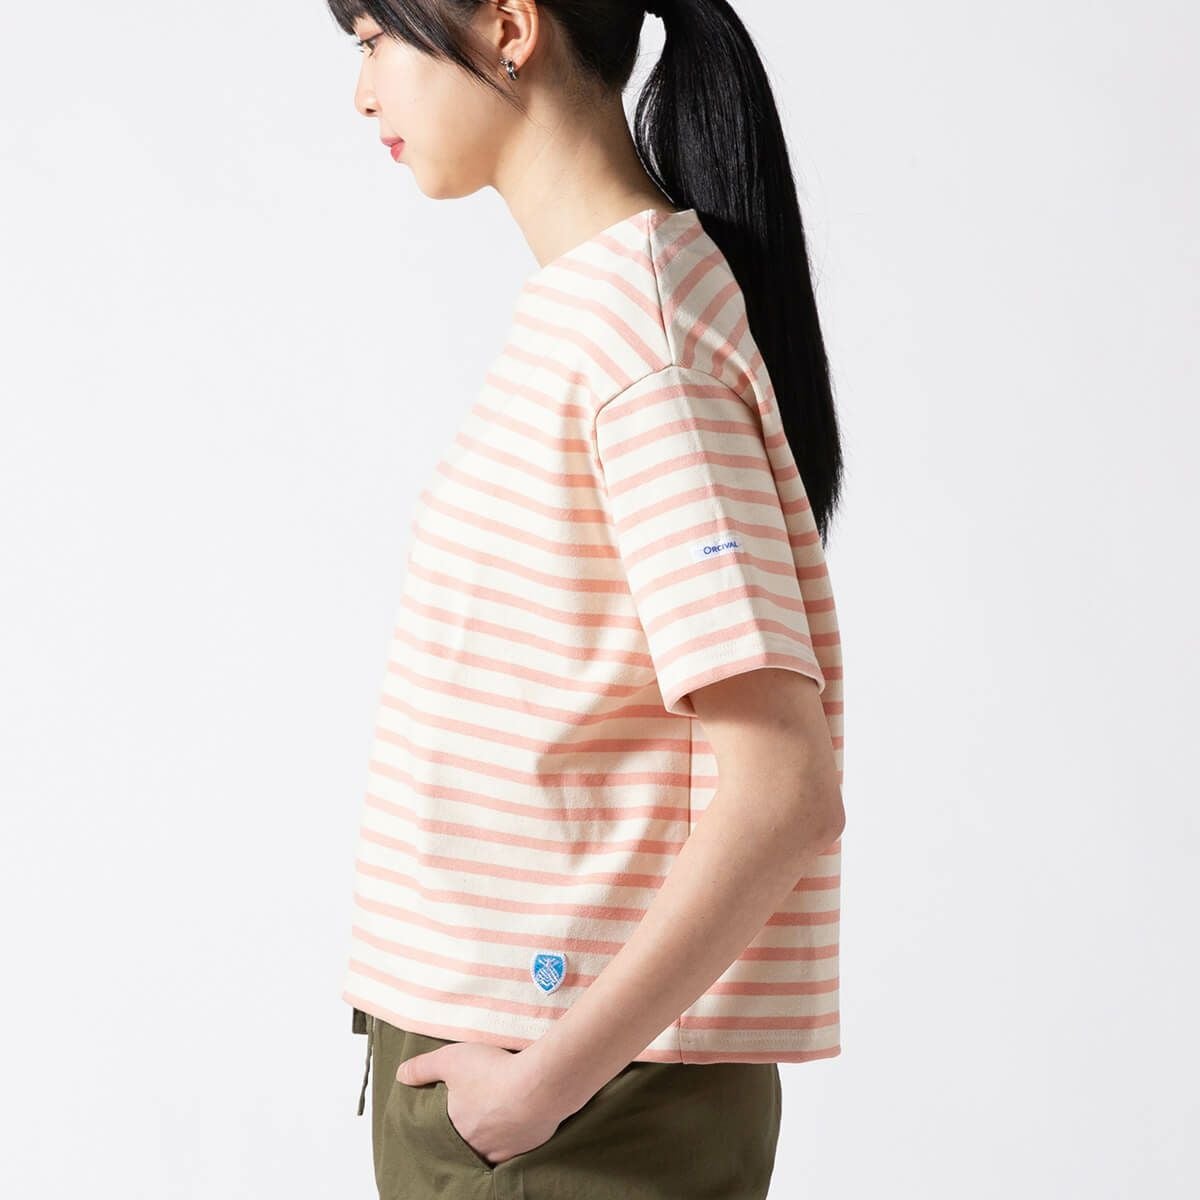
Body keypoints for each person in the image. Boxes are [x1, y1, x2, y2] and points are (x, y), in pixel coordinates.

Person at [328, 2, 846, 1196]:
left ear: (510, 27)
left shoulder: (642, 347)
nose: (362, 93)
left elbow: (783, 788)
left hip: (576, 1116)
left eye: (374, 39)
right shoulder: (601, 315)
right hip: (539, 1091)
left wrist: (536, 1093)